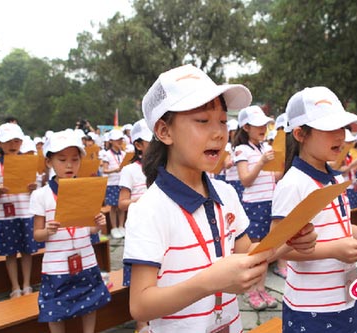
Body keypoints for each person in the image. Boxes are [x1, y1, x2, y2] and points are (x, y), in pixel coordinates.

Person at [122, 64, 316, 333]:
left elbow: (248, 253)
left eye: (223, 121)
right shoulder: (149, 209)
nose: (219, 132)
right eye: (203, 121)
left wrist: (287, 242)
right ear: (165, 131)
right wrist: (208, 282)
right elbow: (141, 305)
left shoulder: (225, 194)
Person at [272, 86, 357, 333]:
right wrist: (335, 250)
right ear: (300, 134)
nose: (341, 136)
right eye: (330, 129)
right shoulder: (293, 184)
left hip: (344, 296)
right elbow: (277, 247)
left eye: (342, 128)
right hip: (310, 306)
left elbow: (339, 225)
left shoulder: (335, 178)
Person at [30, 129, 109, 333]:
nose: (69, 165)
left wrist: (99, 223)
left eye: (74, 159)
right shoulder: (41, 195)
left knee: (90, 301)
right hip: (56, 263)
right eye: (62, 159)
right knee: (55, 307)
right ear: (49, 162)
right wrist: (47, 231)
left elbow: (89, 229)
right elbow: (36, 235)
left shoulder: (85, 189)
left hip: (86, 257)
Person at [233, 105, 283, 309]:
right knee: (252, 252)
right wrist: (262, 162)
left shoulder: (264, 148)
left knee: (265, 250)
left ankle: (261, 289)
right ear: (245, 127)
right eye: (258, 125)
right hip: (253, 205)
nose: (263, 128)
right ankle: (250, 291)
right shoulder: (241, 150)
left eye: (265, 124)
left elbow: (274, 177)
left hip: (269, 203)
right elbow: (245, 180)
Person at [0, 123, 39, 298]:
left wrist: (33, 187)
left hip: (25, 212)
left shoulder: (29, 162)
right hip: (5, 214)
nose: (12, 144)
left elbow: (36, 188)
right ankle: (15, 286)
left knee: (26, 251)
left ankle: (26, 284)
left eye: (16, 141)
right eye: (8, 141)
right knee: (10, 252)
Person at [118, 119, 152, 333]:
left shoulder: (164, 167)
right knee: (141, 274)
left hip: (159, 227)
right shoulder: (130, 170)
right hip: (139, 229)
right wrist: (143, 200)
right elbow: (122, 203)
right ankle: (141, 325)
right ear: (139, 145)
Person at [102, 128, 126, 239]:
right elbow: (104, 170)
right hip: (112, 182)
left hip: (122, 181)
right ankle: (114, 227)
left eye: (120, 140)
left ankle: (121, 226)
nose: (119, 142)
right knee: (113, 206)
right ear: (111, 141)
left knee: (122, 206)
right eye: (117, 140)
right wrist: (115, 170)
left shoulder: (124, 154)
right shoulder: (107, 154)